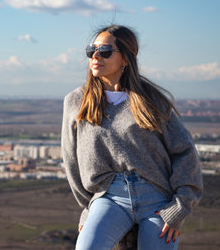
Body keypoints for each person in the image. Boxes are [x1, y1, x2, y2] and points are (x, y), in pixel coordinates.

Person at [61, 25, 203, 250]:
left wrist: (181, 206)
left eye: (105, 51)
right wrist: (88, 208)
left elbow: (184, 151)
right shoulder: (76, 101)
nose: (96, 56)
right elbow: (71, 160)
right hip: (109, 197)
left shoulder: (151, 100)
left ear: (125, 59)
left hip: (156, 196)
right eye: (92, 50)